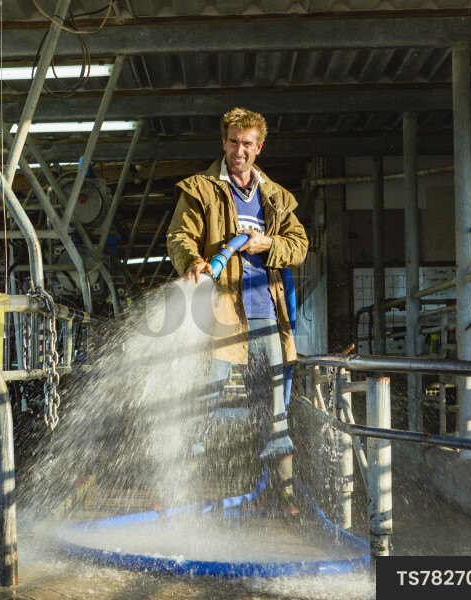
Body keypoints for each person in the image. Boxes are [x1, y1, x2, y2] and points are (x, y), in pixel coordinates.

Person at [166, 107, 308, 514]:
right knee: (203, 400)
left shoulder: (277, 198)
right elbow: (180, 236)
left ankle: (284, 498)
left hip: (268, 316)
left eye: (247, 144)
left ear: (259, 147)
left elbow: (299, 246)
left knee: (275, 406)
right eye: (233, 142)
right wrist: (192, 261)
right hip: (222, 313)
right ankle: (179, 491)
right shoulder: (203, 189)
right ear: (223, 142)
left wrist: (267, 245)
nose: (239, 151)